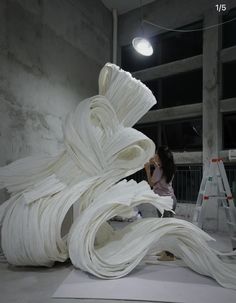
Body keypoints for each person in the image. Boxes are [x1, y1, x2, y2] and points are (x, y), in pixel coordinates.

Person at [144, 145, 177, 261]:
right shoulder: (169, 167)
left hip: (164, 202)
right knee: (166, 228)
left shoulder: (159, 170)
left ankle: (169, 255)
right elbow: (161, 175)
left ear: (161, 157)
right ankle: (166, 251)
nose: (155, 155)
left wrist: (148, 170)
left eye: (157, 154)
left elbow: (152, 183)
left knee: (165, 229)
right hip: (171, 200)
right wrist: (156, 164)